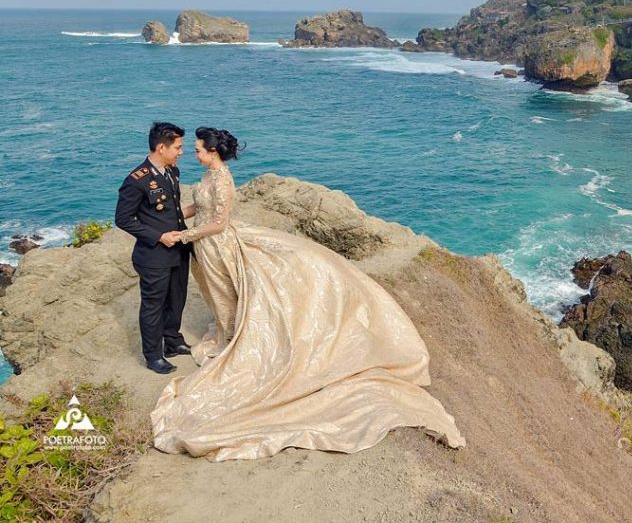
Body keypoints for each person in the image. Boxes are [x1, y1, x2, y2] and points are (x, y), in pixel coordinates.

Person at [150, 127, 465, 460]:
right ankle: (230, 335)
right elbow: (199, 207)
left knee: (228, 294)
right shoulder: (209, 176)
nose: (193, 153)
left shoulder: (224, 180)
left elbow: (219, 222)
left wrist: (182, 237)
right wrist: (173, 216)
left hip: (217, 244)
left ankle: (235, 340)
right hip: (207, 246)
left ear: (213, 153)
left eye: (197, 149)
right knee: (219, 295)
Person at [114, 122, 192, 375]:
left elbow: (172, 210)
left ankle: (172, 340)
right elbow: (123, 219)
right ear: (161, 147)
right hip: (154, 256)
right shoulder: (137, 180)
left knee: (177, 298)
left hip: (178, 250)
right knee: (153, 305)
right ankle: (153, 355)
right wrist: (158, 236)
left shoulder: (172, 171)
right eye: (178, 147)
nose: (181, 152)